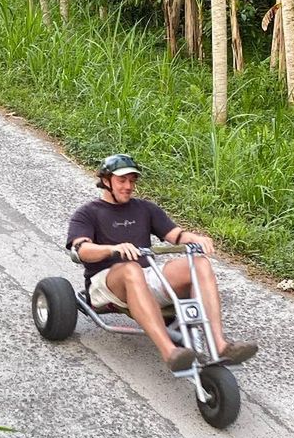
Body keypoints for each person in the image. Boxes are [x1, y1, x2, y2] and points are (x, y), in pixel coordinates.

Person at [66, 153, 258, 371]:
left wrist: (196, 238)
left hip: (145, 277)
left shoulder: (145, 208)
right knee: (131, 269)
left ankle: (220, 345)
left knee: (199, 264)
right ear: (106, 181)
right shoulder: (88, 213)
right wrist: (113, 249)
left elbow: (175, 235)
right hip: (106, 284)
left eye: (132, 181)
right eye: (122, 180)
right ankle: (170, 351)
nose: (128, 186)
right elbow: (81, 250)